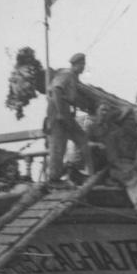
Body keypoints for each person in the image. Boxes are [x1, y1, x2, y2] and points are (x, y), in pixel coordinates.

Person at [46, 53, 94, 188]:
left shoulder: (74, 79)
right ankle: (54, 179)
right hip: (57, 113)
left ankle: (73, 169)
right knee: (59, 145)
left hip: (67, 114)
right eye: (82, 65)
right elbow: (56, 90)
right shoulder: (66, 74)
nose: (84, 67)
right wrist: (61, 113)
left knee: (82, 139)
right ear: (75, 64)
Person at [85, 102, 116, 172]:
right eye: (102, 110)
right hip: (96, 160)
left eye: (107, 110)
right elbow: (86, 143)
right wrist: (97, 144)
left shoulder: (114, 128)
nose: (104, 112)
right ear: (97, 111)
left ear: (109, 113)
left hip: (110, 161)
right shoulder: (92, 127)